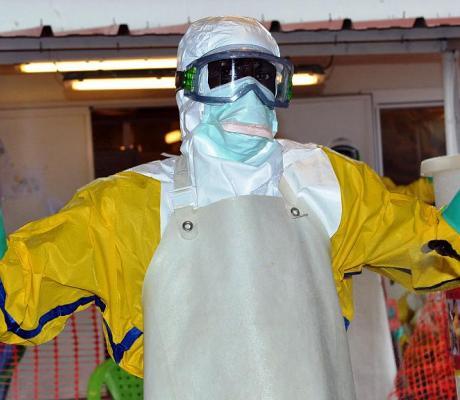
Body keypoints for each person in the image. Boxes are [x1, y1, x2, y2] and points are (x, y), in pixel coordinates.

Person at [0, 16, 459, 400]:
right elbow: (20, 288)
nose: (250, 97)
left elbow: (432, 244)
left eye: (264, 78)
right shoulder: (124, 209)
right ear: (187, 91)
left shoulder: (330, 184)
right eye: (226, 76)